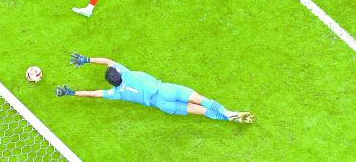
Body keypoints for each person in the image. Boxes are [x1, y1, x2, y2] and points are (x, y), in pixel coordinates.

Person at [55, 53, 256, 123]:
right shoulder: (126, 72)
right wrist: (87, 60)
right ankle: (228, 112)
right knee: (200, 99)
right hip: (166, 90)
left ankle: (227, 119)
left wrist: (72, 92)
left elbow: (94, 94)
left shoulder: (116, 93)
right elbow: (108, 61)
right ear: (118, 73)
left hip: (160, 104)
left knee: (199, 111)